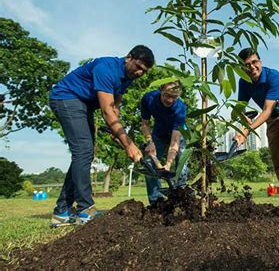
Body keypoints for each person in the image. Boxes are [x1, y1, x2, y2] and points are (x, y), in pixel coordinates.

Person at [49, 45, 155, 226]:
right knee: (83, 150)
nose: (139, 73)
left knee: (84, 153)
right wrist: (129, 144)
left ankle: (61, 212)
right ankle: (85, 209)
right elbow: (106, 112)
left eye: (143, 71)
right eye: (138, 67)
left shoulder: (127, 77)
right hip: (66, 98)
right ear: (128, 57)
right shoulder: (106, 69)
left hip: (84, 105)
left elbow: (115, 106)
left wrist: (117, 131)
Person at [234, 48, 279, 204]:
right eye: (246, 65)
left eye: (254, 62)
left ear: (260, 62)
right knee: (277, 159)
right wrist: (242, 117)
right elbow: (240, 106)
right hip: (272, 119)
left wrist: (245, 132)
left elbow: (266, 110)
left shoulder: (273, 76)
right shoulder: (244, 82)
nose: (252, 67)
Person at [141, 80, 188, 205]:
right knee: (150, 165)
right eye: (167, 95)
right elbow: (145, 124)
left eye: (174, 97)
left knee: (182, 168)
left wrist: (167, 165)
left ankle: (181, 199)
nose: (170, 100)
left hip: (178, 135)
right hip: (158, 134)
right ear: (161, 91)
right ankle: (155, 201)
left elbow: (175, 140)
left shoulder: (181, 108)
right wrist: (149, 142)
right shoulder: (149, 98)